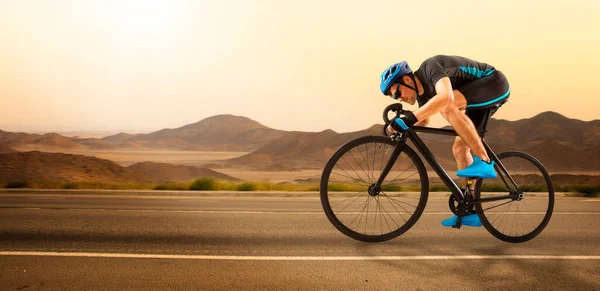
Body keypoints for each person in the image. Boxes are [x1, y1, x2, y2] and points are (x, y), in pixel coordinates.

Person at [379, 55, 510, 227]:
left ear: (406, 79)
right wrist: (397, 125)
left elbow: (446, 97)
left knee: (447, 106)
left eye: (397, 92)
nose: (399, 98)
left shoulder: (430, 67)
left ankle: (484, 161)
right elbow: (424, 120)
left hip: (493, 83)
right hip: (475, 96)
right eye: (395, 98)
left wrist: (410, 118)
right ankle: (471, 209)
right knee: (460, 149)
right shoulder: (423, 96)